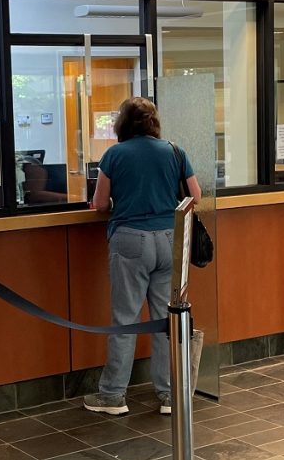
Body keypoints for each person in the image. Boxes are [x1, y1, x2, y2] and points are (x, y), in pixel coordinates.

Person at [83, 97, 201, 417]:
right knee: (166, 321)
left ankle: (113, 397)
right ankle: (168, 394)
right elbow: (196, 195)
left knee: (126, 318)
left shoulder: (114, 155)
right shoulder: (174, 151)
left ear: (123, 123)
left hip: (130, 241)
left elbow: (100, 204)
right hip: (169, 240)